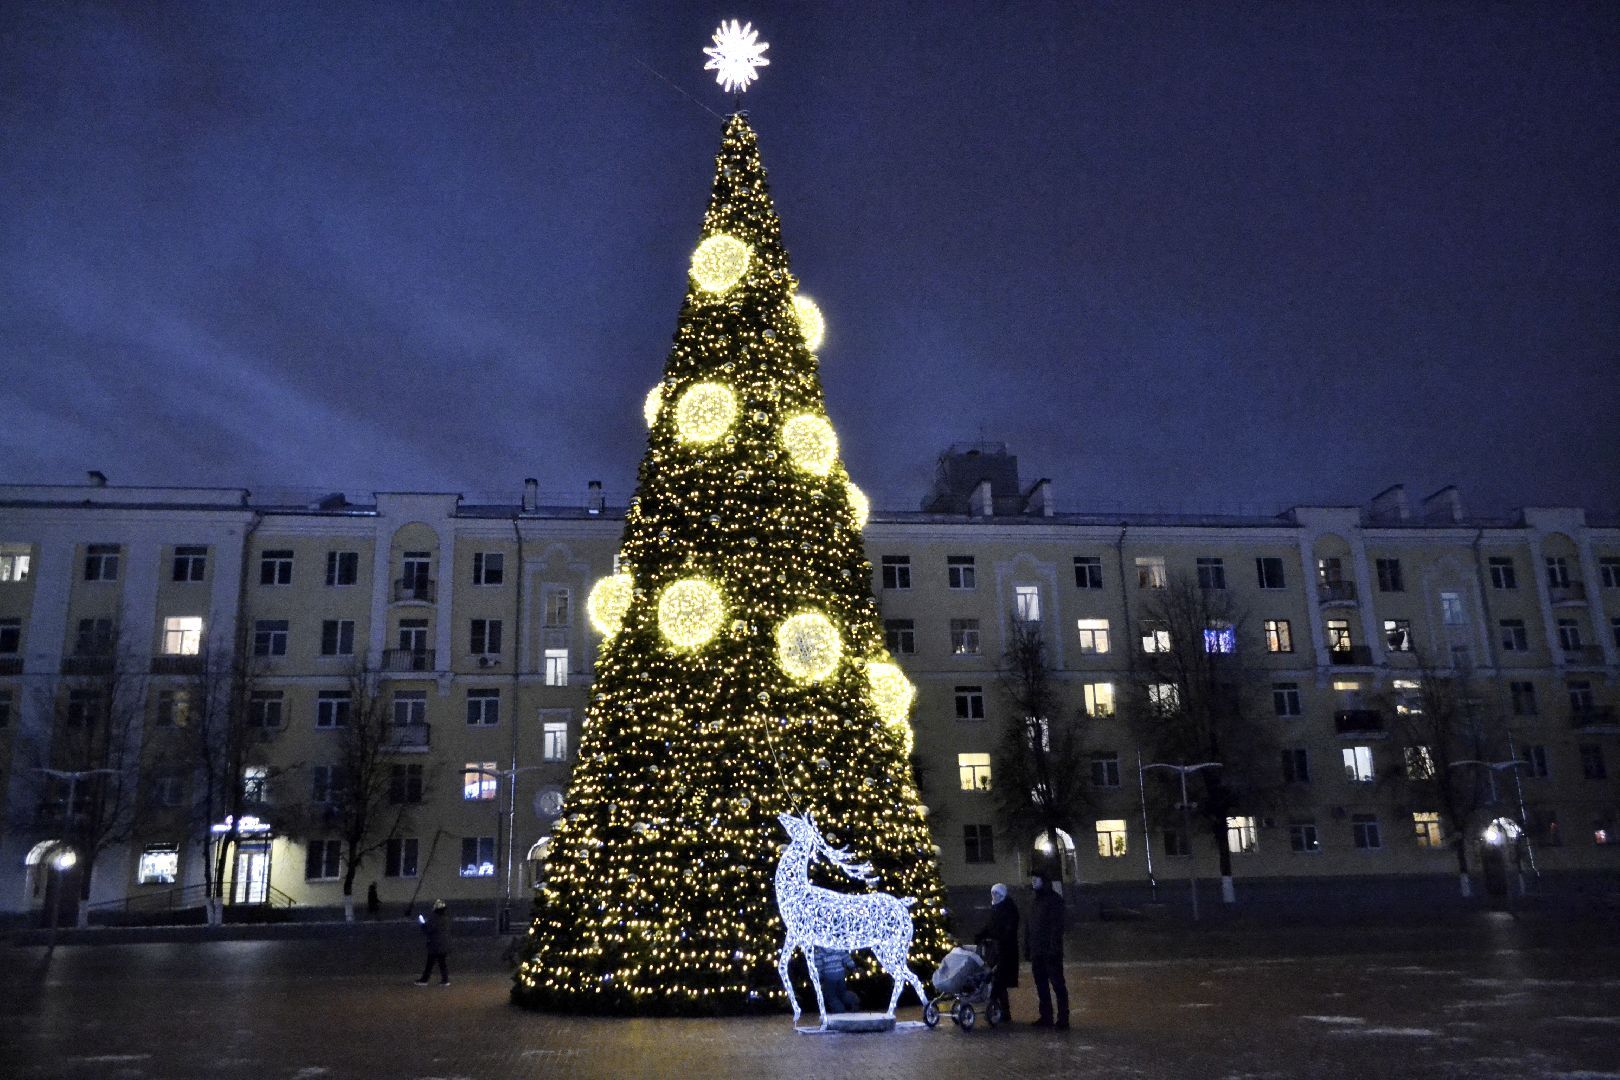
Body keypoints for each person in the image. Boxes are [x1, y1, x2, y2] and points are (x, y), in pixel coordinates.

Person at [1025, 872, 1069, 1029]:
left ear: (1044, 881)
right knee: (1041, 985)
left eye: (1036, 879)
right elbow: (1029, 926)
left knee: (1057, 985)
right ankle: (1046, 1016)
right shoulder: (1033, 900)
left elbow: (1057, 928)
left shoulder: (1054, 900)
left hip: (1051, 952)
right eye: (1032, 879)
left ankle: (1063, 1019)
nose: (1033, 882)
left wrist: (1053, 949)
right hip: (1037, 951)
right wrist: (1028, 947)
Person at [976, 882, 1020, 1023]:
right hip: (996, 950)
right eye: (992, 893)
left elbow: (1009, 929)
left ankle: (995, 1008)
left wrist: (999, 938)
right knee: (998, 981)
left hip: (1006, 950)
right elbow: (990, 926)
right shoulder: (996, 908)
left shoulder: (1008, 909)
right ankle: (1002, 1011)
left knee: (999, 980)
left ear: (1002, 895)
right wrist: (980, 935)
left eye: (996, 894)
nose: (994, 896)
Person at [416, 899, 451, 986]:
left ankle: (424, 980)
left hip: (435, 945)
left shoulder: (435, 919)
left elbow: (427, 930)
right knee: (442, 963)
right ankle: (445, 980)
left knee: (430, 963)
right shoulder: (446, 919)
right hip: (444, 944)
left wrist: (422, 923)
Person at [814, 946, 860, 1013]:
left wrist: (819, 977)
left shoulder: (819, 952)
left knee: (831, 996)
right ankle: (853, 1000)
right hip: (840, 975)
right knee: (842, 993)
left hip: (829, 977)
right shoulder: (837, 948)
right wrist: (852, 967)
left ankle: (839, 1010)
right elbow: (846, 957)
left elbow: (819, 966)